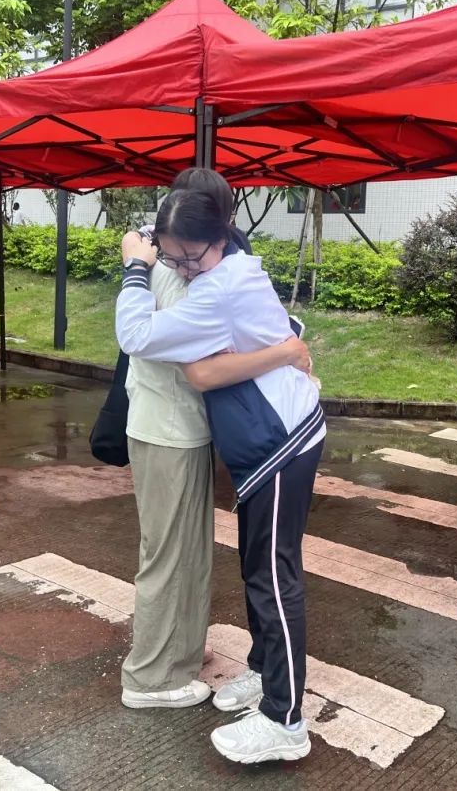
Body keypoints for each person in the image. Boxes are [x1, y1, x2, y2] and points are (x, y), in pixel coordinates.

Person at [117, 186, 324, 765]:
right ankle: (264, 671)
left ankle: (285, 720)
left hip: (280, 442)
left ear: (221, 234)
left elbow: (150, 344)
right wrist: (285, 350)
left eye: (191, 257)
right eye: (173, 257)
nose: (183, 268)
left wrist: (136, 268)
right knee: (257, 569)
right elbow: (219, 362)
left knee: (274, 579)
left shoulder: (219, 286)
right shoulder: (224, 271)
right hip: (263, 445)